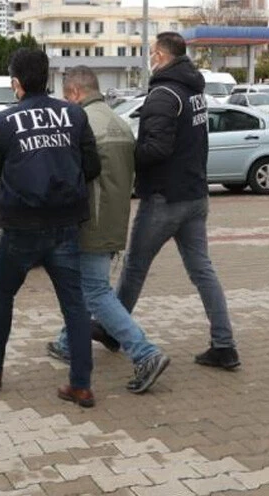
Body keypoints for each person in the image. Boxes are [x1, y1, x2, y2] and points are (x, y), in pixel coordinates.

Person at [0, 48, 102, 407]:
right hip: (65, 224)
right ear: (48, 78)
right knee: (74, 305)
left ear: (16, 83)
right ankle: (80, 385)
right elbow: (93, 166)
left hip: (21, 227)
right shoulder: (74, 115)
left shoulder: (4, 122)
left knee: (2, 294)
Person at [115, 32, 240, 371]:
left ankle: (114, 329)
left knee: (135, 268)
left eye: (152, 53)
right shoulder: (193, 90)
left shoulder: (163, 94)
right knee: (202, 271)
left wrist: (127, 156)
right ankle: (224, 344)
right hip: (195, 195)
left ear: (160, 55)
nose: (150, 59)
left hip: (165, 199)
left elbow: (155, 149)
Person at [46, 66, 171, 394]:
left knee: (95, 291)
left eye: (65, 96)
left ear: (73, 93)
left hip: (90, 222)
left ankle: (145, 352)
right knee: (86, 285)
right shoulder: (119, 122)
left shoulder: (82, 124)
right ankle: (67, 342)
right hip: (115, 218)